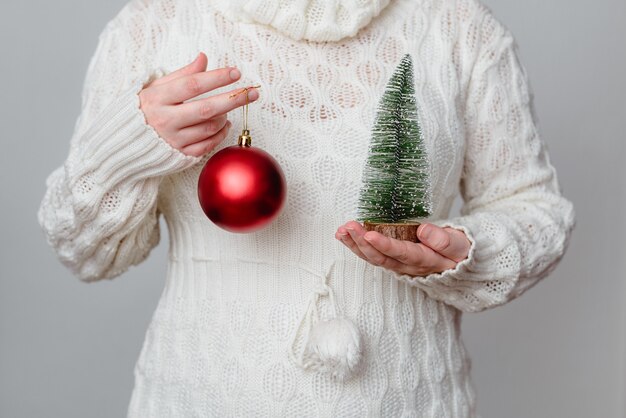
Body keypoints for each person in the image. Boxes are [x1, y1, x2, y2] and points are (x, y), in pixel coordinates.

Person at [37, 0, 576, 416]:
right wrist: (130, 146)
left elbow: (533, 207)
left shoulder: (457, 27)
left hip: (411, 400)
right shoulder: (154, 26)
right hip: (199, 396)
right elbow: (86, 254)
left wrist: (467, 252)